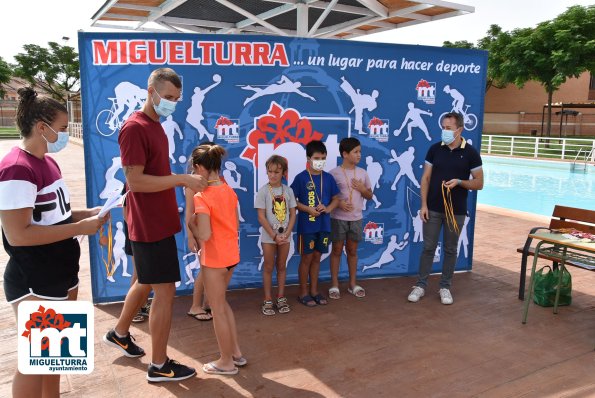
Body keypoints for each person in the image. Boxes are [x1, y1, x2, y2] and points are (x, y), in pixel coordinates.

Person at [0, 87, 108, 397]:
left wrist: (85, 215)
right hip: (34, 280)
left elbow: (53, 215)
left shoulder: (47, 161)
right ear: (41, 127)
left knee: (56, 359)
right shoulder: (16, 168)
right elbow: (17, 234)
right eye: (62, 129)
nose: (64, 135)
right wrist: (81, 228)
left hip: (60, 276)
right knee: (35, 362)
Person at [102, 67, 206, 383]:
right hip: (149, 223)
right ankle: (160, 365)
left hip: (153, 217)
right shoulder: (134, 128)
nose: (172, 103)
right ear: (152, 92)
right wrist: (182, 179)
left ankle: (120, 333)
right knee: (165, 291)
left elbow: (147, 176)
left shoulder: (155, 125)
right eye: (168, 97)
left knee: (146, 281)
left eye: (177, 98)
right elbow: (134, 181)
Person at [407, 112, 483, 305]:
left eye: (448, 128)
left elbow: (479, 183)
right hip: (432, 208)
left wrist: (459, 182)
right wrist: (423, 205)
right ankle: (420, 285)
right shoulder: (435, 149)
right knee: (428, 248)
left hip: (456, 211)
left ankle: (445, 287)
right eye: (443, 127)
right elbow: (425, 178)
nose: (445, 131)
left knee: (450, 249)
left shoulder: (471, 153)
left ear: (460, 130)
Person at [187, 143, 246, 375]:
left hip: (214, 259)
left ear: (200, 168)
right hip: (231, 256)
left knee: (217, 309)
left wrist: (191, 223)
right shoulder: (228, 189)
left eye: (194, 168)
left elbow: (204, 234)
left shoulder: (203, 196)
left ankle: (226, 362)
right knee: (221, 305)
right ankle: (236, 354)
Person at [290, 140, 340, 307]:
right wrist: (307, 209)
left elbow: (336, 198)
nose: (320, 161)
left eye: (323, 158)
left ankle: (314, 291)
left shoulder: (329, 178)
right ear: (308, 158)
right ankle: (303, 292)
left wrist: (328, 208)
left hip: (324, 225)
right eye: (317, 158)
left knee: (317, 257)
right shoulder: (301, 178)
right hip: (307, 226)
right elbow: (292, 200)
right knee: (307, 258)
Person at [328, 138, 372, 299]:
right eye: (356, 152)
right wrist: (339, 203)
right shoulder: (334, 173)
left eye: (360, 151)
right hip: (338, 218)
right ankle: (334, 284)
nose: (359, 154)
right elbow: (328, 196)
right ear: (345, 154)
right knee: (337, 250)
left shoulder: (363, 173)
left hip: (356, 218)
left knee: (352, 251)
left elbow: (370, 195)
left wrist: (362, 188)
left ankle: (352, 284)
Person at [255, 155, 297, 315]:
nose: (272, 175)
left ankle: (280, 297)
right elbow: (261, 216)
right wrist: (273, 235)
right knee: (268, 266)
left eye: (277, 172)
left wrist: (286, 233)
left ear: (284, 173)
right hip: (268, 237)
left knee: (281, 266)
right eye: (270, 172)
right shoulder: (263, 191)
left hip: (285, 236)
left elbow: (293, 214)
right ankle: (267, 299)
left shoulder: (288, 191)